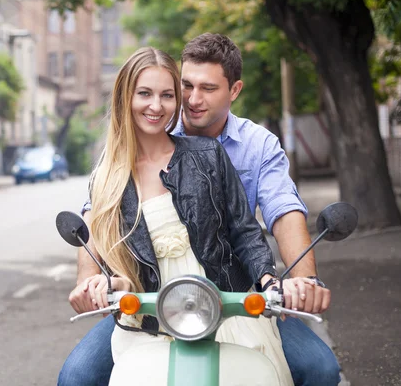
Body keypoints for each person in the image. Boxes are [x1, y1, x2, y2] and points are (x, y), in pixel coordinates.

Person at [59, 34, 340, 386]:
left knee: (320, 369)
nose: (191, 100)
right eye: (185, 86)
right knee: (76, 376)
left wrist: (297, 282)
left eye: (206, 88)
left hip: (230, 292)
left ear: (234, 90)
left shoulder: (241, 147)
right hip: (149, 301)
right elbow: (96, 223)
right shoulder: (115, 166)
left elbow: (274, 217)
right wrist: (93, 281)